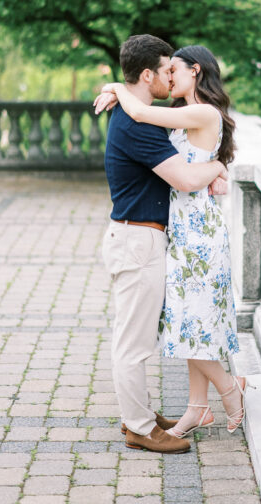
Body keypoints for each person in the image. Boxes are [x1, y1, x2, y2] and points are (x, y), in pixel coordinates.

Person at [96, 44, 249, 439]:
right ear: (148, 75)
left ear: (194, 71)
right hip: (172, 234)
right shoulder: (173, 119)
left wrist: (119, 87)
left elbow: (147, 115)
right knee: (185, 324)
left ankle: (225, 393)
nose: (169, 77)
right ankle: (190, 410)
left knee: (190, 324)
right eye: (164, 71)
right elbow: (179, 163)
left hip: (195, 234)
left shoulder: (195, 113)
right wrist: (120, 88)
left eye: (174, 70)